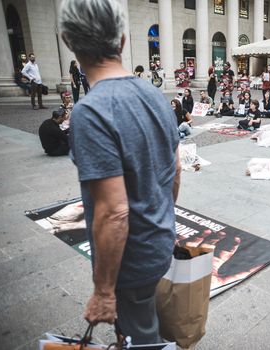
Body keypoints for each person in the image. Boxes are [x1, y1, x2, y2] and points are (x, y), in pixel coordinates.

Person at [59, 0, 181, 344]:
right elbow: (176, 172)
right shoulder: (156, 94)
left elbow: (113, 212)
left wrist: (103, 291)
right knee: (145, 321)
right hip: (159, 239)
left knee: (141, 336)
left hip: (133, 259)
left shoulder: (91, 111)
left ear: (69, 41)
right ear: (123, 41)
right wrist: (164, 221)